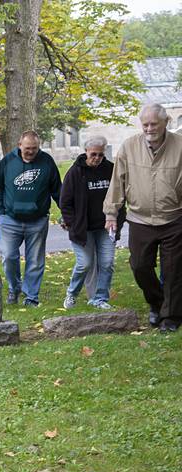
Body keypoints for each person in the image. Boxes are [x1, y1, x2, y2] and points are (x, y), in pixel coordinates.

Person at [103, 103, 182, 333]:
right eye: (145, 124)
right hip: (140, 218)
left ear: (166, 122)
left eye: (153, 124)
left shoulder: (179, 146)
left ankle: (171, 316)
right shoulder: (129, 146)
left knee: (175, 270)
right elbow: (118, 181)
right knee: (139, 266)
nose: (149, 128)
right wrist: (111, 212)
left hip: (174, 218)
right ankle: (157, 303)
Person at [0, 130, 61, 307]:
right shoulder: (8, 161)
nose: (31, 152)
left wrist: (67, 213)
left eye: (35, 148)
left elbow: (57, 190)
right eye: (27, 148)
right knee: (8, 256)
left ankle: (31, 296)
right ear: (19, 146)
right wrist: (0, 212)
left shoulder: (47, 162)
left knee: (35, 261)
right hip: (10, 220)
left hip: (37, 220)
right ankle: (14, 287)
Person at [60, 136, 125, 310]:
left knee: (107, 264)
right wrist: (72, 223)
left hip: (106, 227)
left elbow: (121, 197)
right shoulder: (75, 172)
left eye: (100, 155)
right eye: (93, 154)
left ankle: (100, 298)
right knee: (84, 264)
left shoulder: (111, 170)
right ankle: (72, 294)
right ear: (86, 152)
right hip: (83, 229)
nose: (96, 158)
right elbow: (65, 202)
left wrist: (119, 220)